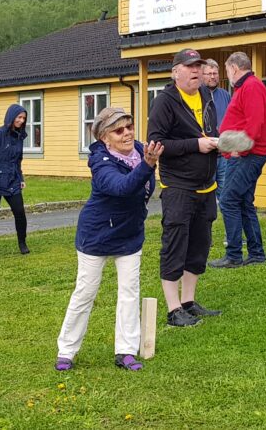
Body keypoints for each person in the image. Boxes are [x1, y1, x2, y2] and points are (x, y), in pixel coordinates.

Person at [56, 108, 163, 372]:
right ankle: (66, 351)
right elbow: (121, 188)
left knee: (129, 293)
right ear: (105, 138)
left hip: (129, 234)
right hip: (97, 236)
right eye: (119, 130)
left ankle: (126, 351)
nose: (127, 133)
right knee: (85, 293)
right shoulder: (100, 161)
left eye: (129, 126)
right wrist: (148, 166)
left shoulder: (141, 150)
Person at [146, 48, 222, 327]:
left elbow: (207, 133)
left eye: (199, 66)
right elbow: (155, 143)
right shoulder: (164, 102)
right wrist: (196, 145)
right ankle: (173, 308)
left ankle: (188, 301)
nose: (196, 71)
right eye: (190, 67)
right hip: (178, 186)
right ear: (175, 71)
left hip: (206, 185)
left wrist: (220, 143)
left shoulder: (206, 96)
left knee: (199, 245)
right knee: (175, 244)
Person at [208, 52, 266, 269]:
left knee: (228, 200)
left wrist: (239, 149)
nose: (227, 75)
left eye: (226, 70)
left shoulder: (251, 87)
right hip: (248, 153)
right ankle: (256, 252)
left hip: (248, 155)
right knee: (243, 201)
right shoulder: (248, 86)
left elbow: (255, 124)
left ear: (234, 68)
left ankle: (234, 254)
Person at [0, 103, 29, 261]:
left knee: (20, 213)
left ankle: (22, 243)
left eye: (23, 118)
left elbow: (18, 160)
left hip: (13, 180)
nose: (21, 121)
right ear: (11, 117)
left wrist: (20, 178)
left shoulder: (20, 136)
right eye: (19, 117)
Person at [203, 59, 232, 207]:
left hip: (223, 154)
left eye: (215, 73)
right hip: (205, 154)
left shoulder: (225, 95)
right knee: (206, 192)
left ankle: (226, 221)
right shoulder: (198, 95)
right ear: (202, 75)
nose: (212, 77)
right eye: (209, 74)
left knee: (225, 192)